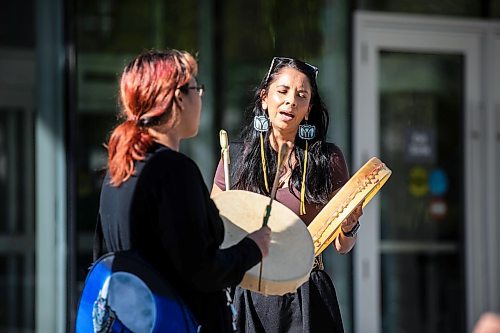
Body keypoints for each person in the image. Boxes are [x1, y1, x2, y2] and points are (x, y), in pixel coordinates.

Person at [95, 49, 271, 332]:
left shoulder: (119, 169)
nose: (200, 97)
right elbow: (201, 269)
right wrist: (253, 248)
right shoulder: (174, 171)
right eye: (196, 88)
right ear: (178, 97)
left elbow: (105, 258)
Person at [211, 57, 363, 333]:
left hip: (307, 292)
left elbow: (343, 246)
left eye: (301, 95)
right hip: (250, 291)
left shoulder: (328, 159)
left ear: (309, 110)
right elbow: (214, 233)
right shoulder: (234, 157)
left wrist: (350, 226)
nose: (291, 101)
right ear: (264, 98)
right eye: (282, 91)